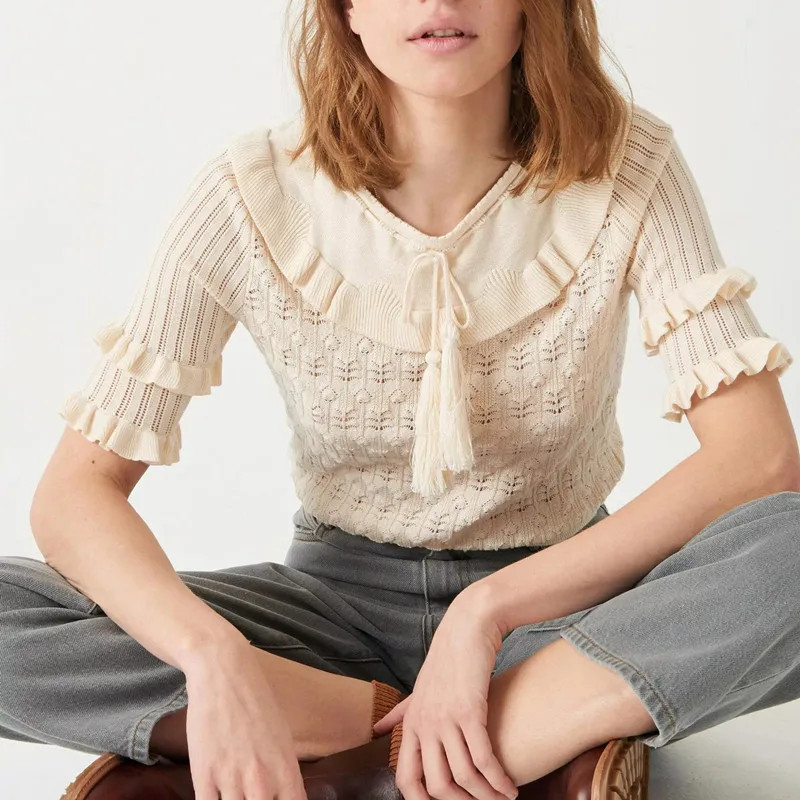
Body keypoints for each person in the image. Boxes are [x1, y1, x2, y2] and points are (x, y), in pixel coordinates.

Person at [3, 0, 799, 798]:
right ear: (346, 8)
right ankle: (447, 740)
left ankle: (380, 756)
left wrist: (486, 612)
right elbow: (75, 494)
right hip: (326, 626)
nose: (438, 2)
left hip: (565, 609)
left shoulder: (627, 165)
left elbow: (759, 460)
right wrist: (214, 659)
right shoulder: (249, 193)